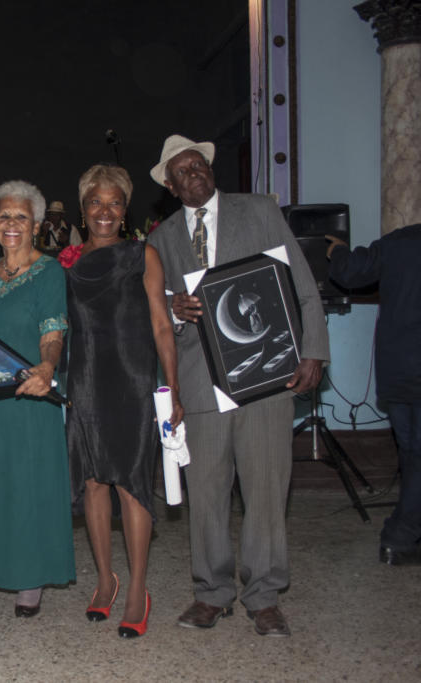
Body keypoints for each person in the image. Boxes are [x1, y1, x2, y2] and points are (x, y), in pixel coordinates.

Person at [147, 135, 329, 637]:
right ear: (169, 184)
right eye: (183, 170)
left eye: (199, 164)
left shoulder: (259, 211)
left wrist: (313, 348)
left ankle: (264, 596)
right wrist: (173, 310)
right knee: (205, 494)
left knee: (266, 489)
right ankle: (211, 593)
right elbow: (152, 313)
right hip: (201, 383)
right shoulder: (159, 239)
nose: (195, 173)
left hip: (266, 375)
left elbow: (302, 281)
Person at [64, 164, 183, 638]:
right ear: (83, 207)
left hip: (133, 381)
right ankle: (104, 580)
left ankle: (137, 587)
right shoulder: (68, 262)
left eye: (114, 202)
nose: (105, 211)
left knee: (133, 482)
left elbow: (161, 325)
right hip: (87, 381)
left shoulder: (143, 255)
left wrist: (172, 387)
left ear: (125, 207)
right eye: (96, 201)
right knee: (94, 481)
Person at [0, 180, 75, 618]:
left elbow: (52, 330)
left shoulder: (49, 272)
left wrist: (47, 368)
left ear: (37, 225)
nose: (11, 224)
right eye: (4, 216)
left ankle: (29, 577)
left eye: (21, 216)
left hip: (30, 397)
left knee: (27, 486)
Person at [327, 225, 421, 565]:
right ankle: (399, 537)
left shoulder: (399, 242)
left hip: (397, 371)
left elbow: (350, 272)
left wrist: (337, 250)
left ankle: (405, 536)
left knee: (411, 455)